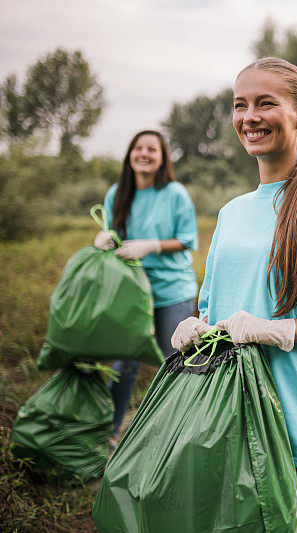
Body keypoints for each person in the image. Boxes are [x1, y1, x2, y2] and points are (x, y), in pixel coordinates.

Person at [170, 57, 297, 532]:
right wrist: (198, 325)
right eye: (240, 105)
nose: (250, 117)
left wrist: (277, 329)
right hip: (227, 420)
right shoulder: (231, 212)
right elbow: (212, 306)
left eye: (267, 103)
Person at [93, 130, 198, 451]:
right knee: (125, 365)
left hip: (172, 291)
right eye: (138, 148)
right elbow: (111, 231)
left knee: (174, 363)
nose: (144, 154)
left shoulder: (176, 194)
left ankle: (174, 438)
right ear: (129, 155)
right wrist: (104, 239)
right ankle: (110, 435)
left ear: (163, 157)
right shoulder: (117, 193)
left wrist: (151, 246)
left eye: (152, 149)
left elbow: (187, 239)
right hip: (132, 292)